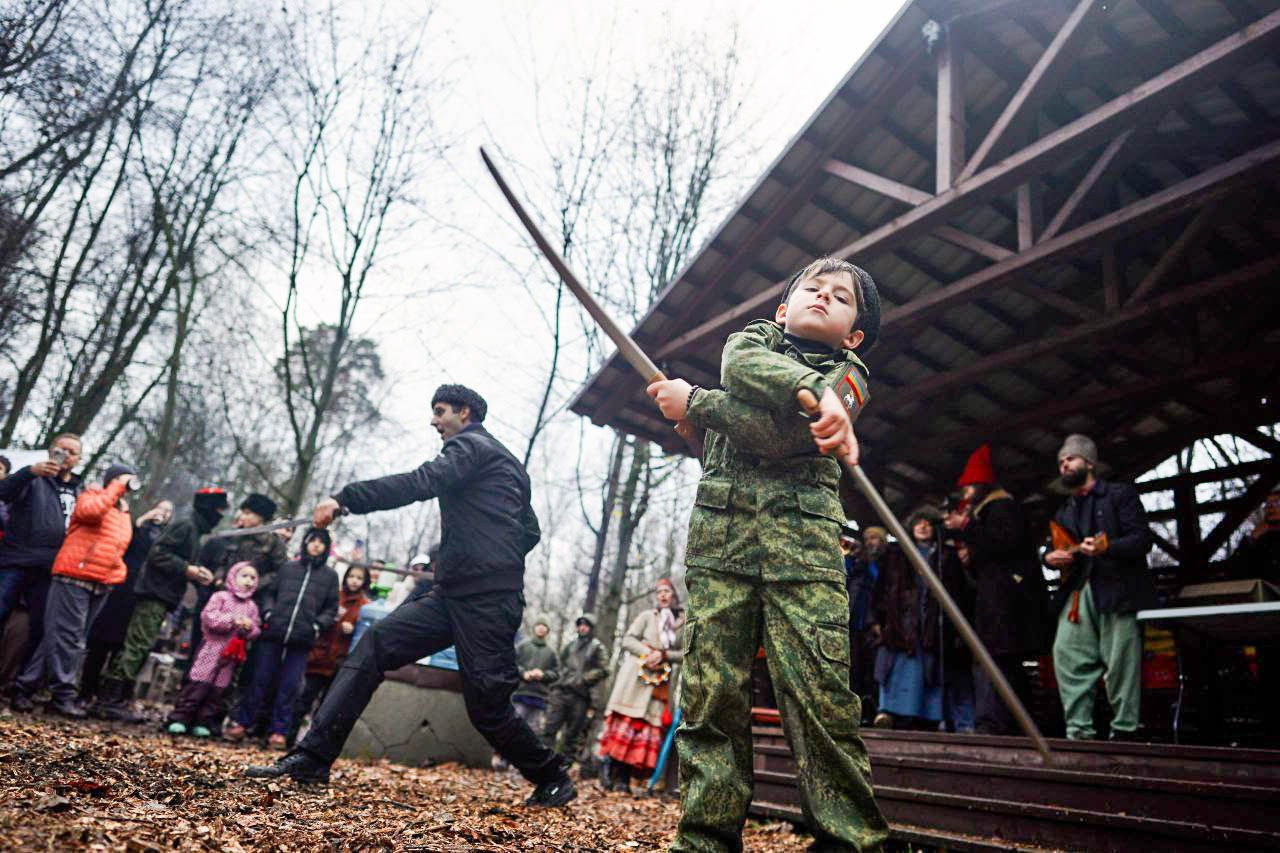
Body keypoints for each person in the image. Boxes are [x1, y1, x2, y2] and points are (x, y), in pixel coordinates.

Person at [646, 256, 889, 851]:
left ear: (854, 335)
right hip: (721, 548)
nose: (824, 297)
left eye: (841, 297)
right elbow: (741, 366)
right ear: (785, 307)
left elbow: (785, 438)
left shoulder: (851, 378)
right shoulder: (752, 341)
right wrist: (808, 393)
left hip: (804, 561)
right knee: (711, 698)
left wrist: (697, 404)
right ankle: (705, 840)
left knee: (821, 703)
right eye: (814, 288)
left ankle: (849, 842)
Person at [245, 384, 575, 808]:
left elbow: (421, 482)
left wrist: (345, 500)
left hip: (489, 605)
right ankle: (313, 757)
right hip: (449, 596)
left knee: (487, 708)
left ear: (465, 412)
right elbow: (529, 531)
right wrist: (477, 555)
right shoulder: (507, 465)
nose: (434, 421)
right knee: (375, 644)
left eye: (440, 411)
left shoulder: (471, 447)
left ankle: (551, 776)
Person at [1044, 434, 1154, 741]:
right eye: (1061, 462)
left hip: (1118, 589)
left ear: (1089, 462)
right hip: (1080, 591)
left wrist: (1107, 547)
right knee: (1067, 654)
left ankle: (1125, 731)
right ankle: (1079, 731)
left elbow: (1142, 540)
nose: (1064, 465)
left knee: (1121, 661)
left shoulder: (1120, 495)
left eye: (1071, 459)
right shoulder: (1064, 510)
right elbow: (1056, 550)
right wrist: (1050, 558)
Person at [10, 464, 138, 716]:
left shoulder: (123, 511)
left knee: (59, 637)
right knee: (69, 639)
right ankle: (63, 696)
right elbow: (90, 513)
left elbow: (117, 546)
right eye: (125, 479)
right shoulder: (91, 496)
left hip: (101, 582)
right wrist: (115, 486)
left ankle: (24, 688)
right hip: (74, 576)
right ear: (113, 480)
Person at [95, 487, 227, 720]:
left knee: (140, 646)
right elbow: (158, 554)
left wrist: (195, 574)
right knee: (137, 645)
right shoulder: (185, 525)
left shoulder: (195, 530)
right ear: (208, 508)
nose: (221, 515)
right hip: (153, 594)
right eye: (218, 509)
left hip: (163, 595)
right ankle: (111, 701)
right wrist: (187, 569)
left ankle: (117, 698)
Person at [944, 444, 1048, 736]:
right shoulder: (991, 512)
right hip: (998, 603)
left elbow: (1003, 545)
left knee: (998, 661)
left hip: (1007, 604)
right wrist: (970, 557)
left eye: (967, 489)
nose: (964, 496)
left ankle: (995, 723)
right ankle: (1010, 722)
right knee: (1003, 663)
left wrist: (966, 528)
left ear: (979, 486)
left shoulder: (1002, 508)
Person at [226, 527, 338, 749]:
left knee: (289, 686)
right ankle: (242, 723)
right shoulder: (288, 568)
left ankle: (278, 731)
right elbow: (269, 593)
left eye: (320, 542)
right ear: (305, 543)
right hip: (273, 633)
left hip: (302, 640)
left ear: (326, 547)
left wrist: (316, 626)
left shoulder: (330, 576)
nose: (315, 545)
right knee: (260, 679)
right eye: (311, 540)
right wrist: (268, 614)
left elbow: (331, 608)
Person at [869, 508, 967, 732]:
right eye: (918, 523)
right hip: (899, 622)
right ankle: (889, 713)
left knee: (927, 672)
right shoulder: (896, 554)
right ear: (911, 527)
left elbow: (958, 591)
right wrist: (876, 618)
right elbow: (881, 588)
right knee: (896, 668)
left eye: (928, 524)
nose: (923, 527)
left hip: (930, 622)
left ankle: (926, 715)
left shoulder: (945, 556)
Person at [0, 434, 84, 662]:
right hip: (15, 561)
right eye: (61, 449)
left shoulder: (80, 490)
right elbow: (3, 492)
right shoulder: (32, 477)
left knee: (37, 627)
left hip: (51, 570)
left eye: (72, 452)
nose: (65, 455)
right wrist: (29, 473)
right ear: (51, 449)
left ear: (78, 459)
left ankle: (15, 685)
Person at [598, 578, 686, 794]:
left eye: (667, 591)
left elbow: (685, 653)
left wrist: (664, 655)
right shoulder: (647, 617)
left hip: (659, 684)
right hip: (635, 680)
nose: (663, 595)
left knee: (643, 729)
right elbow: (628, 639)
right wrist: (648, 653)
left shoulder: (683, 623)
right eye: (659, 592)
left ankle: (624, 780)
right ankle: (610, 769)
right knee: (626, 724)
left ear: (674, 595)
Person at [81, 499, 172, 702]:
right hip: (119, 589)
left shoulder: (167, 540)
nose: (163, 513)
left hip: (140, 596)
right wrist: (144, 520)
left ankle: (107, 695)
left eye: (168, 511)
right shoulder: (137, 527)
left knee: (123, 648)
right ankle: (85, 691)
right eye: (161, 508)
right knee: (99, 644)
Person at [166, 561, 261, 737]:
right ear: (233, 577)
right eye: (244, 576)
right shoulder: (221, 597)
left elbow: (256, 630)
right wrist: (232, 620)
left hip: (231, 655)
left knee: (218, 688)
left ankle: (203, 721)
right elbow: (209, 617)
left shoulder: (252, 607)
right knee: (199, 682)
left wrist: (249, 628)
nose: (248, 580)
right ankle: (180, 718)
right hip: (212, 647)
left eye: (252, 578)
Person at [289, 563, 371, 745]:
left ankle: (310, 745)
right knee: (303, 699)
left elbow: (364, 634)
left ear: (365, 582)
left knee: (327, 706)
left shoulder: (365, 606)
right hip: (319, 658)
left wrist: (354, 628)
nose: (354, 581)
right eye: (352, 576)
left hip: (339, 662)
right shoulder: (334, 596)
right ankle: (288, 737)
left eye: (359, 578)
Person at [542, 613, 607, 761]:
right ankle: (543, 760)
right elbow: (561, 665)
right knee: (550, 727)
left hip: (581, 696)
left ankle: (563, 765)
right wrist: (560, 680)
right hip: (562, 691)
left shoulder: (597, 647)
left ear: (591, 628)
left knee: (572, 733)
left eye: (586, 625)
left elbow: (604, 669)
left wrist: (584, 678)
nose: (582, 628)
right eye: (580, 625)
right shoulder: (570, 645)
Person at [1228, 489, 1280, 583]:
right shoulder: (1259, 539)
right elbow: (1235, 572)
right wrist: (1252, 539)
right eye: (1267, 504)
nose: (1270, 507)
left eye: (1277, 503)